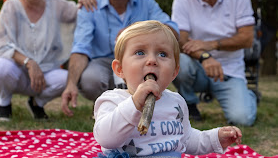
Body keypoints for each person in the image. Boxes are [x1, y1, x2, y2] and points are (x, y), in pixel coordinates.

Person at [94, 20, 242, 157]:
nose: (152, 60)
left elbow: (187, 139)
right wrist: (134, 104)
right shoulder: (113, 100)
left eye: (162, 54)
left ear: (174, 72)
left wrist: (215, 138)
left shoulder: (176, 102)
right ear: (119, 69)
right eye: (140, 52)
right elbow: (106, 139)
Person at [61, 0, 179, 117]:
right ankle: (108, 108)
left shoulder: (146, 2)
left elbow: (173, 31)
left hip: (139, 59)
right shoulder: (91, 5)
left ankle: (139, 107)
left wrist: (137, 32)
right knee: (90, 80)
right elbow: (81, 48)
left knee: (143, 62)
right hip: (103, 62)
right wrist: (71, 84)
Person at [0, 0, 80, 121]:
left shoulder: (57, 5)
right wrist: (29, 62)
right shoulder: (10, 7)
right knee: (0, 67)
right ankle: (4, 104)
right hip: (17, 70)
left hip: (45, 73)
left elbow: (80, 11)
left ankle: (37, 103)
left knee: (68, 78)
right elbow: (1, 45)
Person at [171, 0, 257, 126]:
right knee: (177, 61)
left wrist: (211, 45)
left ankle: (249, 96)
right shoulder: (182, 0)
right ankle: (189, 103)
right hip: (198, 67)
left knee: (243, 119)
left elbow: (247, 39)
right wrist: (205, 57)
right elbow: (180, 42)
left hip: (230, 71)